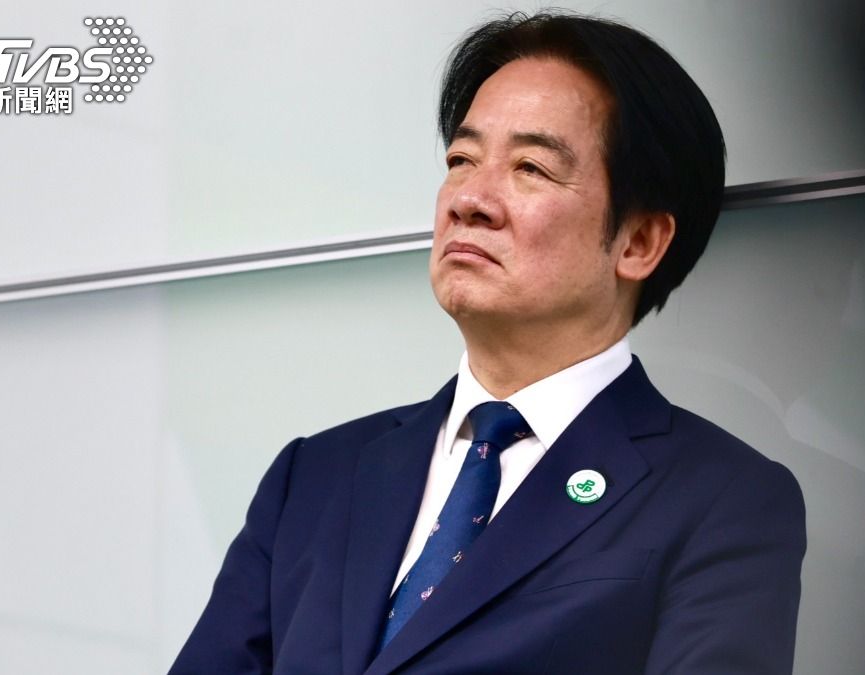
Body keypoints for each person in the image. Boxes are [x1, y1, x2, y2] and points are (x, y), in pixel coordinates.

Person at [170, 11, 805, 674]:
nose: (468, 199)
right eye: (461, 160)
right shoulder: (314, 477)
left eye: (530, 167)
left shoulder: (722, 499)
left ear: (639, 241)